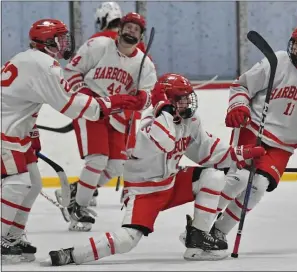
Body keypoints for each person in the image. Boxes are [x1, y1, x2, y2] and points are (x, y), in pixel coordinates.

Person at [46, 73, 266, 266]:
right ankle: (73, 254)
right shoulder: (149, 123)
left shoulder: (190, 120)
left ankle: (198, 240)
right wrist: (165, 111)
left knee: (214, 176)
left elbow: (207, 151)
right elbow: (166, 141)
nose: (187, 102)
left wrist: (242, 153)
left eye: (188, 96)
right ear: (167, 101)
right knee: (126, 241)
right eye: (180, 98)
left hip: (171, 183)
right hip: (144, 193)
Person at [1, 18, 144, 263]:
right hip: (6, 133)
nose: (65, 43)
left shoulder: (30, 59)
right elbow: (72, 105)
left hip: (16, 130)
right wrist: (115, 102)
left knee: (34, 182)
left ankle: (13, 236)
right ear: (47, 42)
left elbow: (18, 101)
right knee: (19, 181)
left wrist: (31, 133)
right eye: (60, 39)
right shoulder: (44, 66)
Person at [210, 20, 297, 242]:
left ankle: (219, 231)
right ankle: (200, 224)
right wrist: (238, 106)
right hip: (253, 128)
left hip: (283, 144)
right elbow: (242, 86)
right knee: (239, 178)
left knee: (258, 186)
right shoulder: (276, 61)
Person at [60, 12, 157, 232]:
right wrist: (84, 95)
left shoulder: (144, 64)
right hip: (91, 107)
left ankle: (77, 190)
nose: (131, 31)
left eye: (136, 29)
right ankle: (79, 207)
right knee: (97, 159)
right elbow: (71, 72)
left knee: (116, 165)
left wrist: (143, 99)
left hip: (117, 115)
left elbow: (148, 95)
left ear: (141, 37)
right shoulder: (98, 46)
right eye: (128, 27)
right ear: (120, 29)